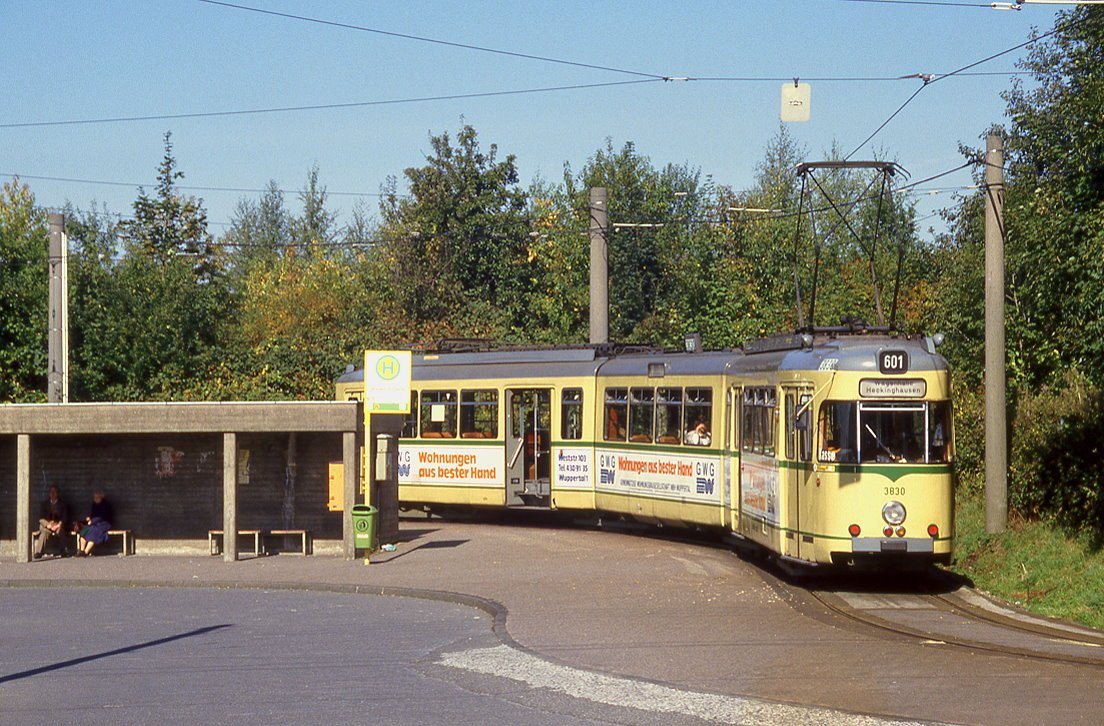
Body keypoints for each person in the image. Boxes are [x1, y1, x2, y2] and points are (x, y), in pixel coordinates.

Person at [34, 485, 70, 559]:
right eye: (51, 492)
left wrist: (58, 525)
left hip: (57, 525)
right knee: (44, 533)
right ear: (49, 493)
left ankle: (63, 551)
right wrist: (48, 525)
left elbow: (64, 517)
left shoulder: (63, 504)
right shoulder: (44, 504)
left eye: (54, 492)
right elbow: (41, 518)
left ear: (58, 493)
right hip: (47, 525)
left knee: (61, 532)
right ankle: (38, 552)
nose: (53, 494)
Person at [76, 489, 114, 557]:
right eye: (94, 497)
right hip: (94, 524)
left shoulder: (106, 505)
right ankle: (81, 551)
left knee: (93, 533)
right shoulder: (94, 504)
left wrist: (92, 521)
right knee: (84, 531)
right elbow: (93, 515)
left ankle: (86, 552)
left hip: (104, 524)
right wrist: (89, 518)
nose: (95, 499)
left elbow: (101, 517)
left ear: (101, 497)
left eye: (97, 497)